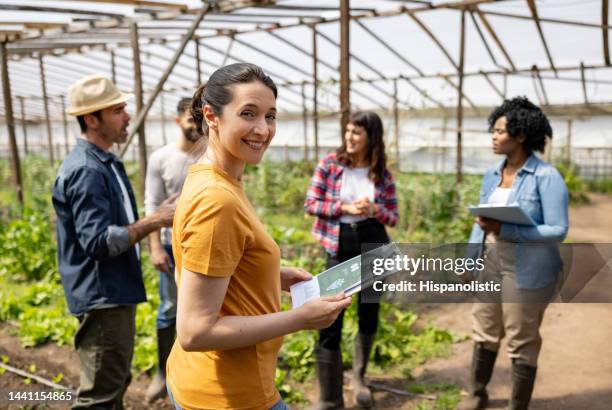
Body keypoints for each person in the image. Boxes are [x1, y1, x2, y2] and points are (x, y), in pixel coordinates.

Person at [166, 63, 352, 410]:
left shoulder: (217, 180)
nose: (263, 129)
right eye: (248, 113)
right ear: (212, 115)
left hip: (206, 382)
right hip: (228, 395)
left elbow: (207, 267)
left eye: (271, 116)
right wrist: (300, 318)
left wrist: (271, 275)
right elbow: (194, 332)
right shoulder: (217, 200)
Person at [52, 75, 177, 409]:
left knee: (114, 381)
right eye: (118, 110)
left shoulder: (105, 162)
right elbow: (97, 241)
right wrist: (156, 220)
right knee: (100, 397)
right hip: (102, 294)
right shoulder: (87, 170)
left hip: (112, 291)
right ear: (92, 120)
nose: (127, 117)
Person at [458, 97, 569, 410]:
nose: (493, 136)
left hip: (529, 267)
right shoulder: (492, 175)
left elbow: (558, 229)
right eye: (492, 130)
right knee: (484, 328)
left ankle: (517, 406)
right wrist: (469, 262)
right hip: (491, 260)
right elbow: (481, 223)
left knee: (522, 339)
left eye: (500, 131)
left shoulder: (547, 178)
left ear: (520, 136)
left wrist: (507, 230)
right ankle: (476, 394)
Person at [304, 111, 399, 409]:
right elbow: (311, 203)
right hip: (340, 244)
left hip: (374, 244)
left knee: (368, 313)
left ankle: (359, 378)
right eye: (347, 131)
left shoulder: (381, 174)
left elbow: (393, 217)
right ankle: (329, 397)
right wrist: (344, 206)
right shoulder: (331, 165)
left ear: (372, 137)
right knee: (330, 315)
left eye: (357, 132)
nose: (349, 137)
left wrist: (374, 210)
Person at [144, 97, 203, 401]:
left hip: (203, 244)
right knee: (169, 307)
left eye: (200, 120)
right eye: (190, 120)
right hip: (170, 244)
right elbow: (153, 206)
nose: (196, 126)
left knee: (205, 311)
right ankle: (162, 371)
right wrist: (155, 247)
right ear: (177, 121)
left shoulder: (209, 154)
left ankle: (194, 373)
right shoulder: (162, 158)